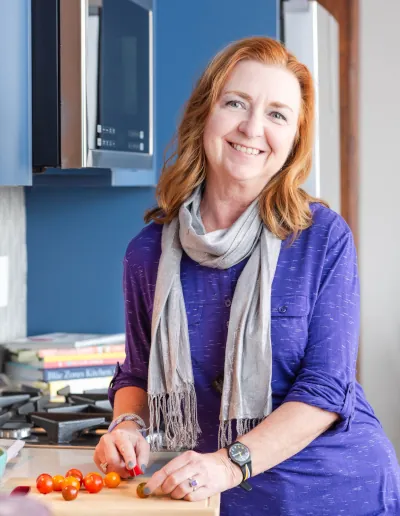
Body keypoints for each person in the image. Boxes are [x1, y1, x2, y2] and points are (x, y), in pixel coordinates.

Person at [93, 36, 400, 515]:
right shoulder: (147, 254)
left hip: (333, 490)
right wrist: (127, 425)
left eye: (277, 114)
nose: (252, 128)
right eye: (236, 103)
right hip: (215, 497)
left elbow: (325, 388)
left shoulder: (321, 238)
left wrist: (228, 464)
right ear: (205, 115)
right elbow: (137, 372)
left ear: (294, 138)